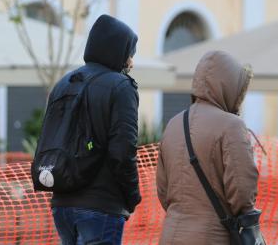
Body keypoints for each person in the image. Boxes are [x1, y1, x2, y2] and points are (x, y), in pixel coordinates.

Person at [51, 14, 141, 245]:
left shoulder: (65, 83)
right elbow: (123, 150)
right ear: (118, 50)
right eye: (130, 52)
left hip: (62, 205)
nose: (131, 60)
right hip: (101, 205)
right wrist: (132, 197)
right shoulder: (121, 87)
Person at [156, 50, 259, 244]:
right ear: (228, 86)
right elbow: (243, 194)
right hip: (211, 237)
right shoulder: (231, 126)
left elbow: (163, 191)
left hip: (170, 235)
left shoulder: (173, 124)